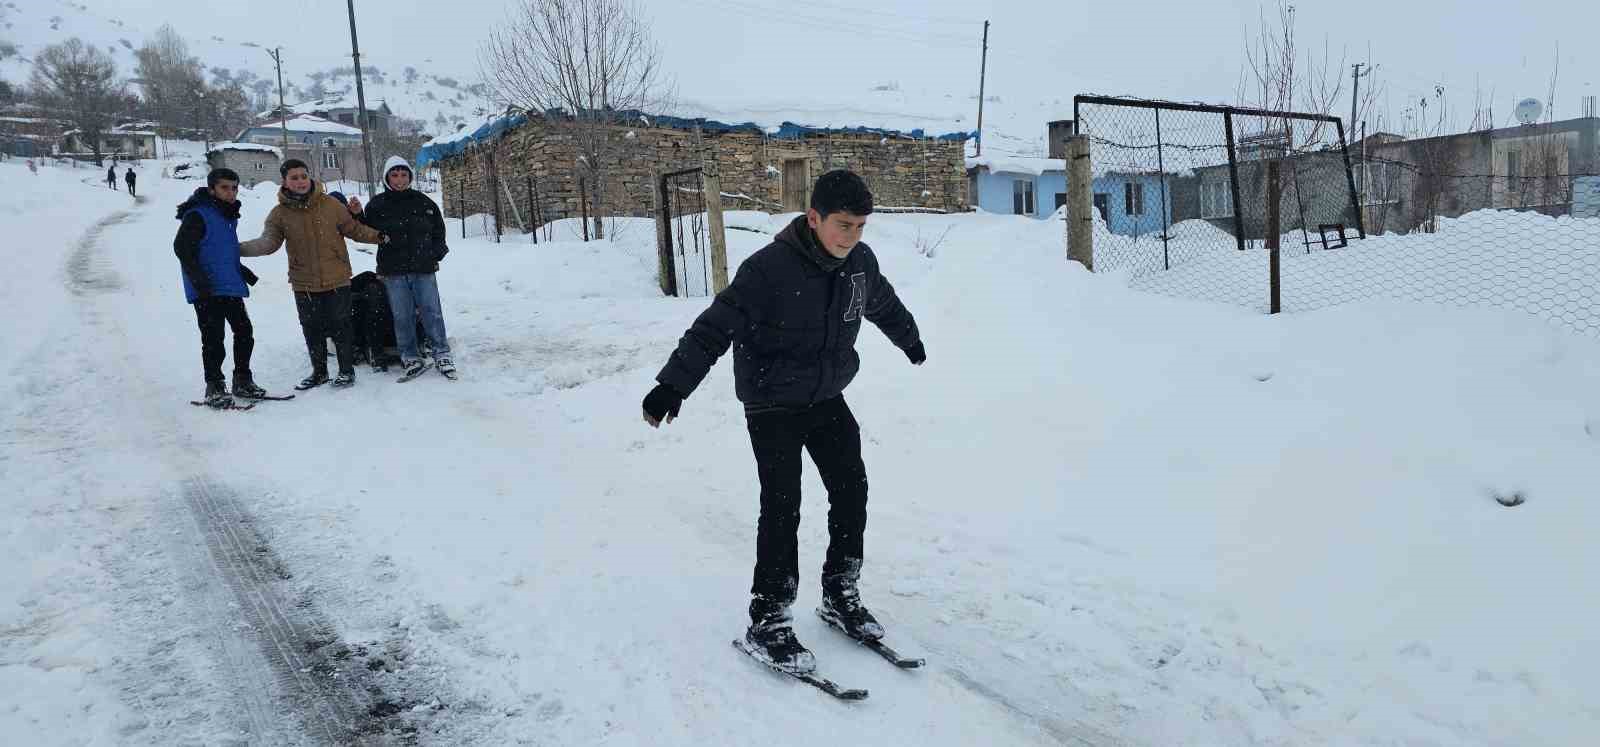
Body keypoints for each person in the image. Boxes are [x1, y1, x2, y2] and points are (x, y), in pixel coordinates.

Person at [641, 170, 925, 674]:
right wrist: (672, 385)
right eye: (843, 225)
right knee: (782, 505)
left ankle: (840, 592)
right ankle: (768, 616)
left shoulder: (859, 263)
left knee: (851, 488)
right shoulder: (768, 269)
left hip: (825, 395)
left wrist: (909, 339)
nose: (851, 236)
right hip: (771, 401)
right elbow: (714, 327)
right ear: (813, 218)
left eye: (861, 226)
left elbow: (881, 301)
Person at [240, 159, 386, 390]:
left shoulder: (330, 205)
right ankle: (319, 372)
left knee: (342, 325)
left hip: (336, 276)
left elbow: (354, 229)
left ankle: (346, 371)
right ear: (285, 181)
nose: (300, 181)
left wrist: (380, 236)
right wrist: (239, 249)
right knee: (311, 327)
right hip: (303, 281)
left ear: (309, 177)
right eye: (294, 177)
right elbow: (268, 242)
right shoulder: (279, 214)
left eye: (303, 176)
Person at [351, 156, 454, 379]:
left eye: (404, 174)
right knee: (402, 315)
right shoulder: (377, 205)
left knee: (431, 312)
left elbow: (438, 231)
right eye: (395, 175)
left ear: (410, 176)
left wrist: (436, 253)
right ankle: (410, 356)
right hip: (393, 272)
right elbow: (366, 231)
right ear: (387, 178)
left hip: (423, 269)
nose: (400, 179)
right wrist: (357, 214)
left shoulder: (424, 202)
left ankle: (442, 353)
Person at [174, 168, 264, 407]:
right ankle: (214, 385)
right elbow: (182, 249)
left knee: (244, 332)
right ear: (212, 189)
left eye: (234, 187)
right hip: (207, 290)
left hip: (229, 286)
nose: (231, 192)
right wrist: (200, 282)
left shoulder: (227, 216)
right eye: (225, 187)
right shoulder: (198, 215)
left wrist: (242, 271)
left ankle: (242, 380)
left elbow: (220, 251)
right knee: (214, 338)